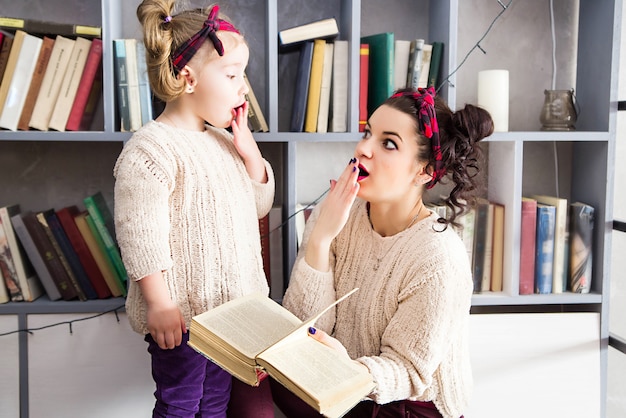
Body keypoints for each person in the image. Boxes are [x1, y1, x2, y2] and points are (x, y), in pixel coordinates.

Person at [272, 86, 494, 418]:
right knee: (279, 388)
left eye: (387, 143)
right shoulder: (333, 213)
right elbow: (303, 328)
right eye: (367, 133)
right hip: (341, 382)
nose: (363, 148)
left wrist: (348, 371)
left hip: (409, 404)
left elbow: (408, 371)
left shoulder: (439, 257)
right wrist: (320, 239)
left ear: (425, 172)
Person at [113, 1, 275, 417]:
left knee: (216, 404)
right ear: (188, 78)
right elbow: (140, 234)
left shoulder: (224, 144)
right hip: (183, 319)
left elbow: (259, 205)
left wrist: (251, 156)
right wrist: (160, 303)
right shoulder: (151, 149)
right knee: (181, 403)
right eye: (232, 75)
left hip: (230, 317)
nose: (243, 87)